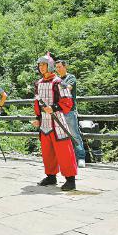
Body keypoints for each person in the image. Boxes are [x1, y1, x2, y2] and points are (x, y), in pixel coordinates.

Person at [33, 55, 77, 191]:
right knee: (47, 151)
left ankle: (70, 180)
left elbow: (68, 101)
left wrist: (54, 107)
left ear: (50, 66)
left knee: (64, 151)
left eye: (44, 65)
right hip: (45, 123)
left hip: (58, 121)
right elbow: (37, 103)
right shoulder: (38, 83)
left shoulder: (59, 82)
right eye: (39, 65)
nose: (41, 67)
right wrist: (38, 118)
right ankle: (51, 176)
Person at [55, 60, 86, 168]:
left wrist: (57, 82)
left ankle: (81, 158)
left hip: (70, 111)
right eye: (56, 67)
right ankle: (64, 158)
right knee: (60, 136)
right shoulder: (56, 79)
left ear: (65, 67)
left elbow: (69, 88)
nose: (58, 69)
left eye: (59, 67)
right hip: (58, 111)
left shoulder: (70, 77)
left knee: (75, 135)